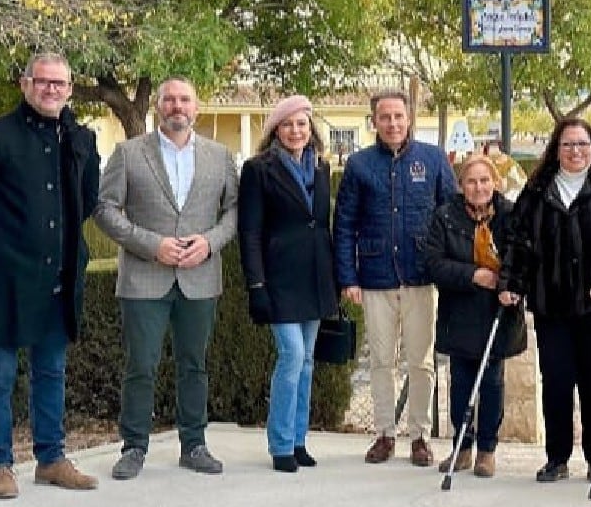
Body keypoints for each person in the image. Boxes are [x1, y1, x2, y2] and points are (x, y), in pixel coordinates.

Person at [0, 53, 101, 500]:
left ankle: (51, 458)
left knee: (51, 371)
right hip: (4, 277)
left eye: (59, 84)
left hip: (59, 277)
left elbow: (87, 201)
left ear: (69, 89)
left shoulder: (81, 138)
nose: (51, 90)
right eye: (43, 82)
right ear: (25, 84)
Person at [94, 78, 240, 480]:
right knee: (141, 364)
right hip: (144, 278)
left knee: (194, 365)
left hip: (199, 277)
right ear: (159, 106)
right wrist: (150, 244)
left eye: (185, 100)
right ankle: (134, 447)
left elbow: (234, 213)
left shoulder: (219, 156)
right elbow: (105, 209)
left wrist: (209, 243)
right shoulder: (128, 153)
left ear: (197, 107)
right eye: (170, 100)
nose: (177, 106)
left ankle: (194, 444)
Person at [499, 117, 591, 484]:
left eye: (582, 144)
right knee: (556, 381)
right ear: (556, 150)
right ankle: (557, 457)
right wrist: (512, 281)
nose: (576, 151)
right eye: (568, 144)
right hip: (551, 302)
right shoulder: (539, 187)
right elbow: (519, 240)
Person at [333, 90, 457, 467]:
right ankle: (385, 433)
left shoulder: (432, 159)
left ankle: (419, 435)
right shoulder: (358, 165)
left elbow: (451, 216)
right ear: (374, 122)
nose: (392, 123)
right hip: (375, 278)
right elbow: (344, 225)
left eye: (398, 116)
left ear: (409, 119)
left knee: (420, 362)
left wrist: (450, 269)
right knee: (381, 361)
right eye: (384, 117)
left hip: (421, 277)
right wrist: (348, 277)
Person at [238, 96, 339, 474]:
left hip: (315, 277)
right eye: (288, 125)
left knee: (308, 362)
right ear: (275, 131)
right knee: (292, 355)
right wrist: (256, 284)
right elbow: (249, 232)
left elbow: (323, 225)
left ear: (311, 128)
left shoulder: (323, 168)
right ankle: (280, 443)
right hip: (278, 278)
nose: (296, 131)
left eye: (302, 124)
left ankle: (298, 441)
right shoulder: (258, 170)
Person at [419, 154, 527, 479]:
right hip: (460, 310)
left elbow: (522, 255)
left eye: (484, 180)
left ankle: (487, 449)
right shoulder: (445, 216)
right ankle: (462, 445)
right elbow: (433, 262)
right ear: (461, 185)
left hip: (498, 311)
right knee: (462, 381)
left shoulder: (510, 215)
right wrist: (473, 274)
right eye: (471, 181)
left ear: (495, 182)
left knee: (491, 380)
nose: (478, 187)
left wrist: (509, 284)